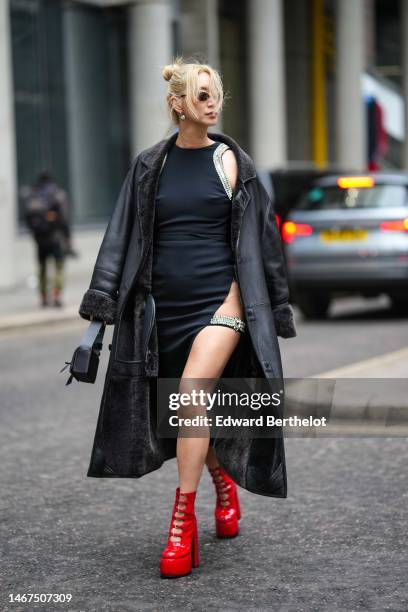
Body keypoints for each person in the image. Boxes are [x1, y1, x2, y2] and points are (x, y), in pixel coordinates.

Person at [78, 57, 297, 579]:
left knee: (193, 392)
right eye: (201, 95)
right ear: (178, 105)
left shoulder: (232, 164)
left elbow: (264, 242)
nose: (212, 102)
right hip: (160, 312)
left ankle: (181, 524)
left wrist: (262, 304)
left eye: (215, 93)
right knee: (184, 416)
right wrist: (101, 303)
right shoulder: (149, 165)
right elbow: (119, 237)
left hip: (221, 307)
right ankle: (221, 482)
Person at [24, 172, 73, 307]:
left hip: (40, 239)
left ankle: (44, 297)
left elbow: (28, 219)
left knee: (42, 267)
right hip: (56, 237)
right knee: (59, 266)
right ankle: (57, 296)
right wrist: (68, 238)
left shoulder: (33, 195)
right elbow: (64, 218)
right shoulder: (58, 194)